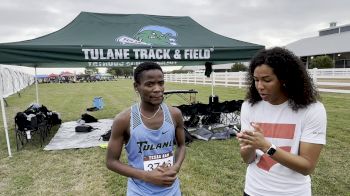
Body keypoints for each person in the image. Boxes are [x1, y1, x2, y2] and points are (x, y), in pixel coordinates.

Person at [236, 47, 327, 196]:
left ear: (284, 78)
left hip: (292, 192)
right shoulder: (249, 106)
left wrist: (266, 146)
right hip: (254, 190)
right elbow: (248, 159)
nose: (259, 86)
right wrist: (249, 146)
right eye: (256, 80)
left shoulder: (312, 110)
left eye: (267, 80)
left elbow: (307, 167)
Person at [106, 62, 186, 196]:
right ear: (136, 86)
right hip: (140, 191)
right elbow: (111, 161)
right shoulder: (124, 120)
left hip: (171, 190)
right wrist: (147, 176)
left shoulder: (175, 114)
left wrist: (175, 167)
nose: (157, 89)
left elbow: (182, 145)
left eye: (161, 83)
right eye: (150, 84)